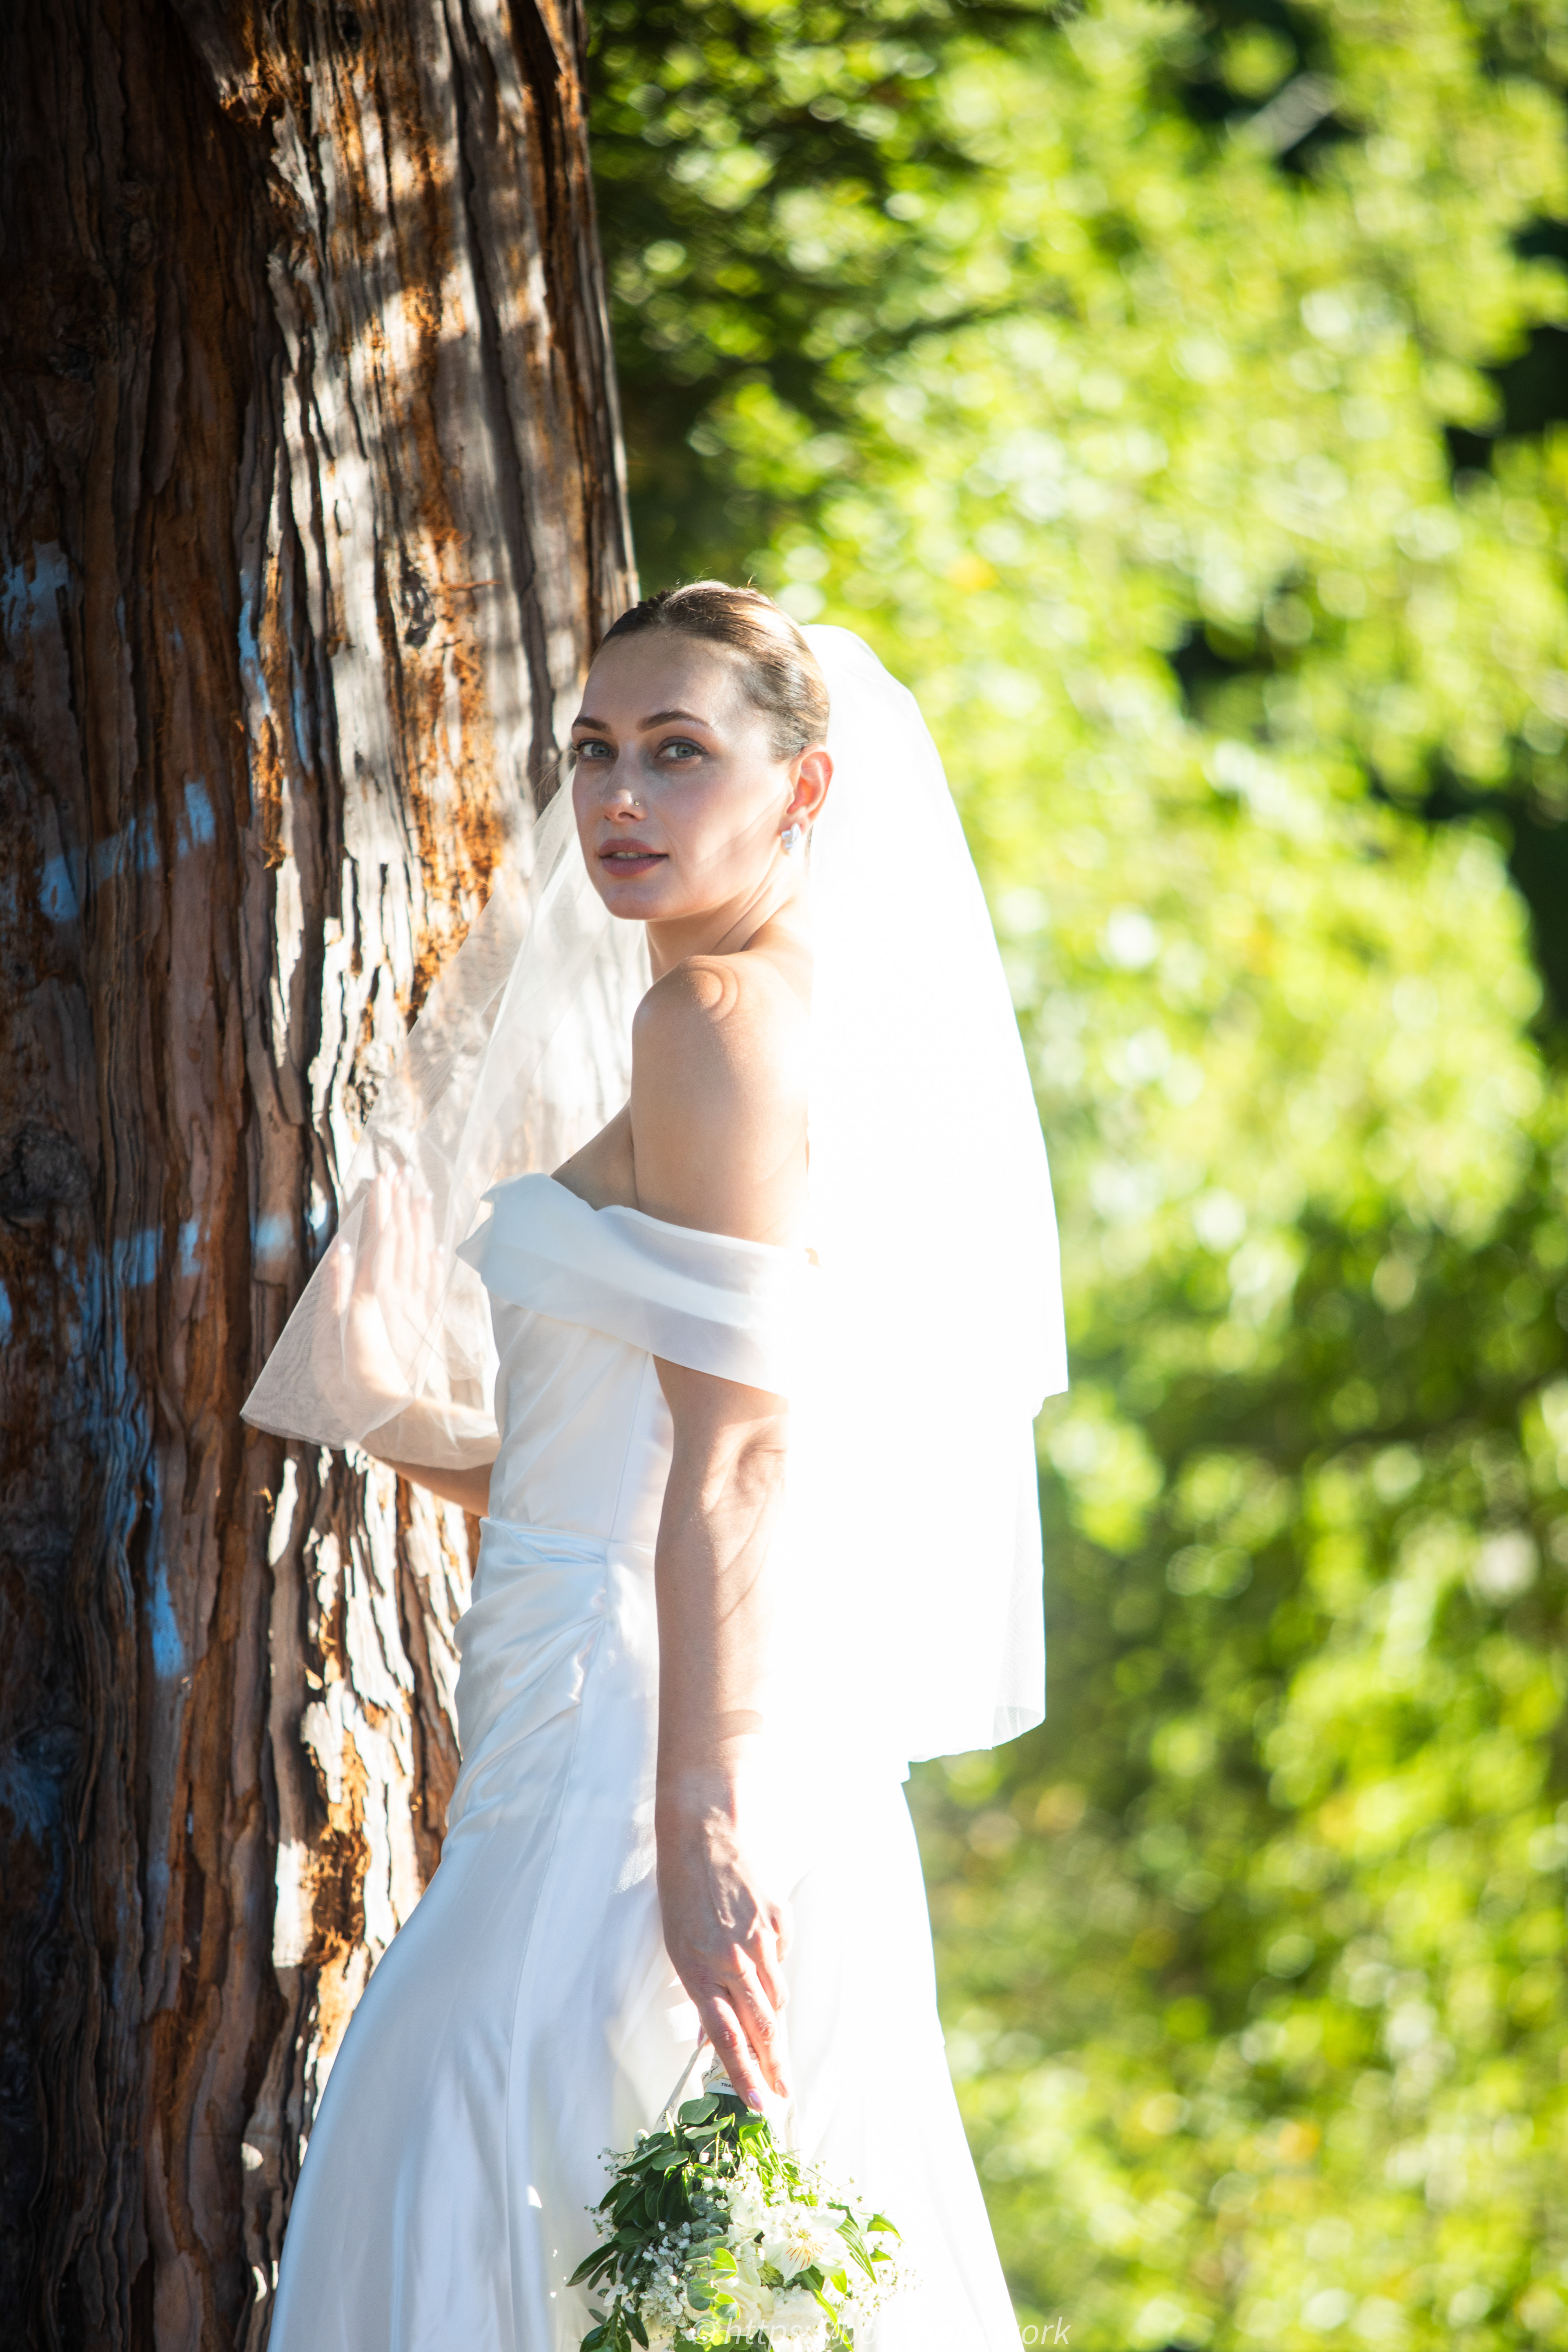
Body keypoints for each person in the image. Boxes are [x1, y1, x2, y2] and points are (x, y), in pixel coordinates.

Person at [244, 585, 1068, 2350]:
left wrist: (702, 1809)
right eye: (599, 751)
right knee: (593, 2216)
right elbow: (621, 1465)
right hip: (620, 1697)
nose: (621, 795)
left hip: (642, 1752)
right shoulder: (774, 1021)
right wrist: (402, 1419)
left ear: (808, 787)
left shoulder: (711, 1021)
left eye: (680, 754)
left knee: (478, 2175)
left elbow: (749, 1458)